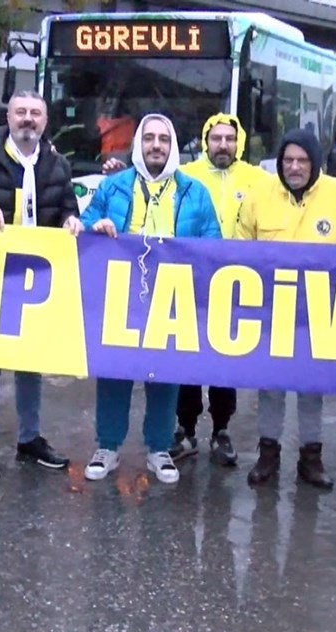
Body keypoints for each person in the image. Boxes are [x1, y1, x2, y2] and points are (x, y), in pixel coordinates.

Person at [77, 113, 222, 484]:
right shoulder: (113, 187)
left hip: (173, 298)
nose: (156, 145)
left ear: (172, 146)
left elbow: (214, 243)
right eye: (149, 138)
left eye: (163, 139)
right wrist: (96, 227)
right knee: (114, 371)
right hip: (121, 296)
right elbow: (85, 225)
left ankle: (159, 448)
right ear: (139, 144)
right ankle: (107, 447)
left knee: (165, 375)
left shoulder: (195, 192)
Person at [0, 90, 79, 481]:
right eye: (21, 112)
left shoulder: (57, 166)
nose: (28, 119)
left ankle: (29, 439)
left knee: (31, 366)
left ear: (45, 121)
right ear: (8, 118)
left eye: (35, 114)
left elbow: (67, 209)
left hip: (35, 281)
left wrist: (70, 222)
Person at [236, 128, 336, 489]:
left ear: (315, 163)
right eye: (288, 160)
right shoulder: (259, 196)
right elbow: (240, 250)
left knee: (311, 388)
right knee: (270, 388)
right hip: (270, 311)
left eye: (302, 160)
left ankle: (311, 459)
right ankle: (268, 456)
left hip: (318, 312)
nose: (294, 167)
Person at [170, 113, 270, 466]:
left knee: (225, 360)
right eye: (216, 139)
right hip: (192, 282)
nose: (223, 145)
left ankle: (222, 429)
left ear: (238, 142)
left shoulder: (258, 180)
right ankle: (185, 428)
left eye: (229, 139)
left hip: (237, 284)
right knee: (188, 359)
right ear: (205, 141)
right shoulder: (185, 177)